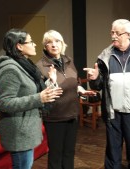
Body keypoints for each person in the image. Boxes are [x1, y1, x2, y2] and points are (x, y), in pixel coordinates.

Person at [83, 19, 130, 169]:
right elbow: (98, 86)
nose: (113, 36)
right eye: (112, 32)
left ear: (129, 34)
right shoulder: (104, 57)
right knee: (113, 150)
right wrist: (94, 79)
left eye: (117, 33)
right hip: (113, 113)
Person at [0, 28, 62, 169]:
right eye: (31, 42)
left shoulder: (24, 65)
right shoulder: (9, 69)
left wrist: (50, 83)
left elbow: (30, 90)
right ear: (19, 46)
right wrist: (39, 98)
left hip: (25, 129)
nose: (35, 44)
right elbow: (4, 102)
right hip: (18, 132)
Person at [35, 30, 95, 169]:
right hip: (55, 116)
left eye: (57, 41)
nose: (54, 45)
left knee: (69, 152)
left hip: (72, 113)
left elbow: (75, 81)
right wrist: (52, 81)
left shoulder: (68, 61)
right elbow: (41, 92)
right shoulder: (40, 66)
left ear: (62, 44)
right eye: (49, 42)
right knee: (56, 154)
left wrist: (81, 89)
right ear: (45, 47)